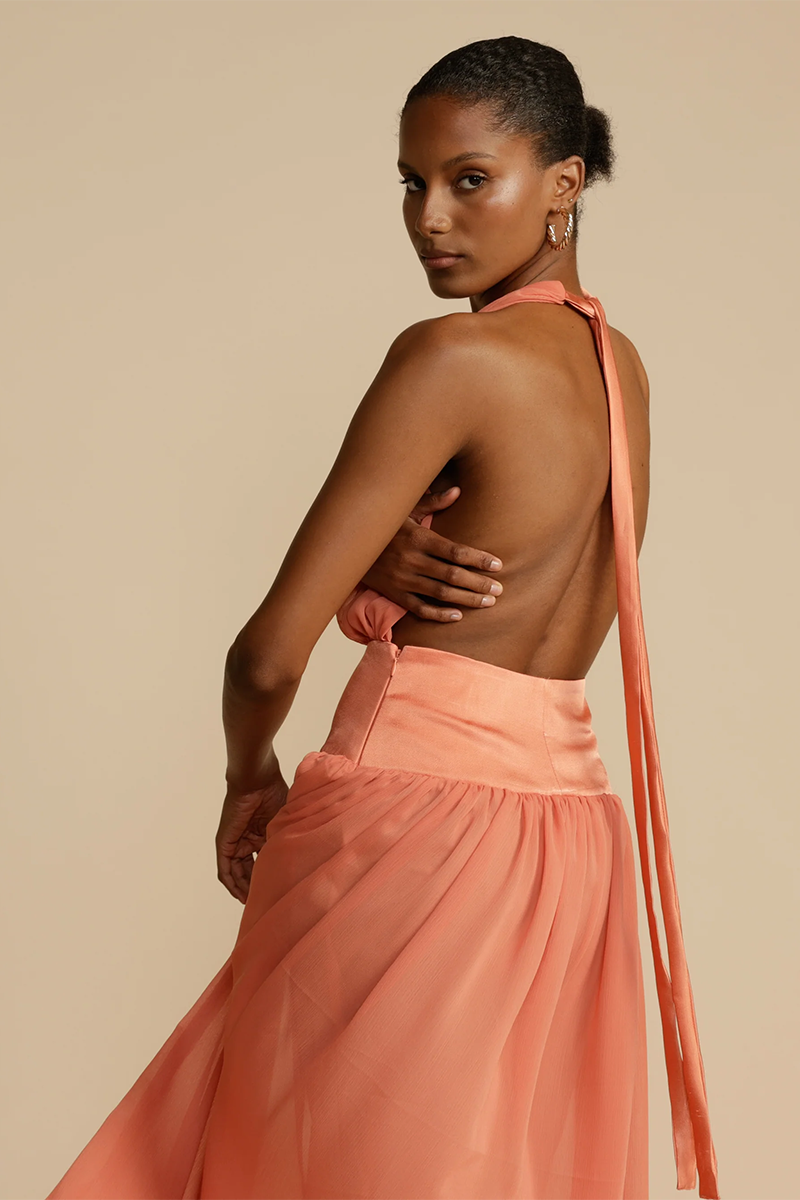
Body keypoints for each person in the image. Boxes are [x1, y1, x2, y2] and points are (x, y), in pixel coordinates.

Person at [45, 34, 720, 1200]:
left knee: (306, 1166)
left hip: (407, 815)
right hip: (567, 833)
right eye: (411, 182)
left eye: (469, 179)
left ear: (562, 183)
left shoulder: (449, 357)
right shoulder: (620, 368)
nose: (428, 218)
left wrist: (246, 776)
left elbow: (265, 654)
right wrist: (377, 576)